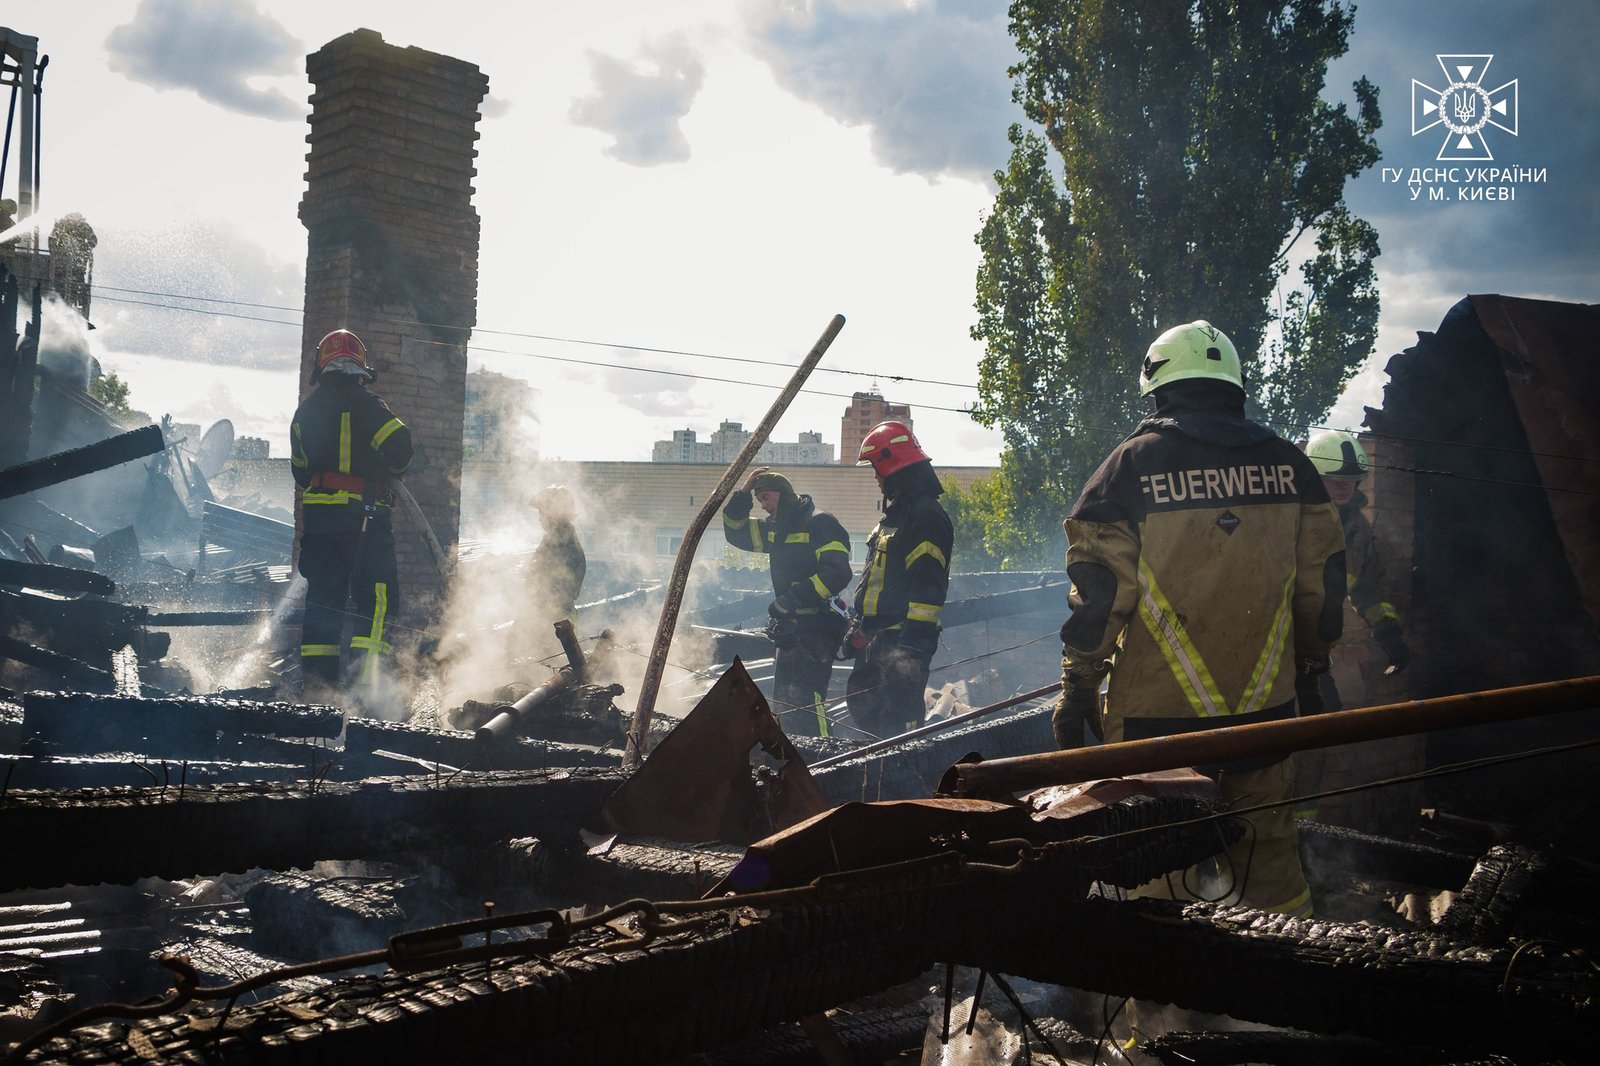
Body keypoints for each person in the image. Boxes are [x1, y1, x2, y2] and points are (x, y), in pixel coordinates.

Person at [1054, 320, 1345, 917]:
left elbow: (1101, 597)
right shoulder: (1292, 466)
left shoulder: (1130, 468)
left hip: (1157, 728)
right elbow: (1323, 590)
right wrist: (1312, 669)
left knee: (1157, 883)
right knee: (1271, 877)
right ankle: (1275, 1002)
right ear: (1231, 385)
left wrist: (1078, 685)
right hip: (1268, 717)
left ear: (1159, 389)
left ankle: (1163, 1009)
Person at [290, 329, 413, 709]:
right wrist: (374, 466)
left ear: (323, 366)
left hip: (321, 526)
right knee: (376, 602)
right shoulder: (369, 406)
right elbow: (401, 451)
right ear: (359, 367)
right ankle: (368, 693)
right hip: (364, 521)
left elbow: (300, 471)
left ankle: (317, 698)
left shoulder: (304, 412)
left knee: (324, 604)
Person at [1297, 429, 1412, 823]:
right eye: (1336, 479)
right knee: (1267, 736)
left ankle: (1304, 833)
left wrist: (1388, 632)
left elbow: (1370, 587)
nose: (1346, 487)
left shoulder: (1359, 530)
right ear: (1314, 475)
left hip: (1313, 652)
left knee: (1321, 727)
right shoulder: (1288, 516)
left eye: (1352, 481)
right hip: (1270, 647)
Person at [722, 469, 852, 736]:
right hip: (791, 630)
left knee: (808, 700)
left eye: (766, 497)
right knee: (783, 701)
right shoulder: (775, 529)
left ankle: (821, 754)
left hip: (817, 627)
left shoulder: (820, 523)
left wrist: (792, 599)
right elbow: (736, 532)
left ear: (782, 494)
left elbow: (838, 572)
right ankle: (794, 756)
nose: (764, 505)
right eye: (759, 500)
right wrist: (743, 494)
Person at [846, 422, 954, 740]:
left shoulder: (926, 516)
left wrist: (911, 648)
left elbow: (928, 585)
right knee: (868, 713)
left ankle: (906, 785)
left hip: (904, 642)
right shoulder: (897, 517)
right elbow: (879, 582)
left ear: (893, 468)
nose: (876, 478)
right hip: (880, 638)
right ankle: (877, 784)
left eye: (877, 470)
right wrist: (862, 627)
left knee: (898, 728)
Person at [528, 485, 587, 624]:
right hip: (550, 622)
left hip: (553, 625)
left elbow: (552, 590)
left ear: (553, 514)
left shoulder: (563, 547)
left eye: (541, 513)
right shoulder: (555, 543)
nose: (539, 519)